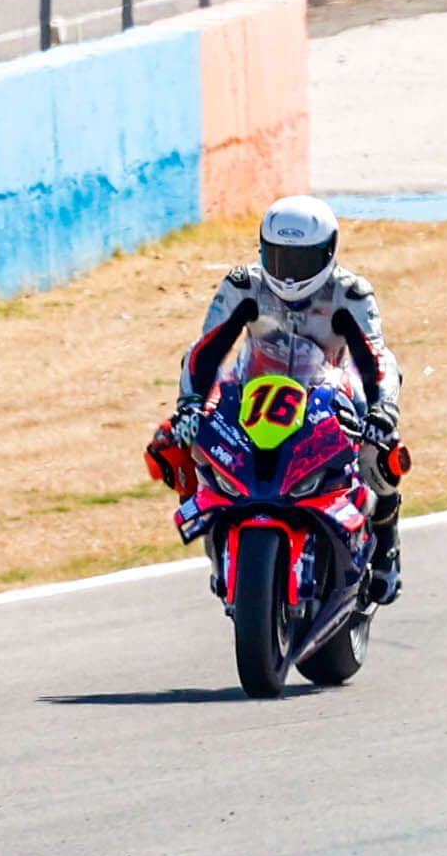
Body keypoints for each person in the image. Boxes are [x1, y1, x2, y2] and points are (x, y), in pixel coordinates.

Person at [173, 194, 408, 601]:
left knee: (379, 456)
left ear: (328, 253)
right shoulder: (243, 285)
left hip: (331, 389)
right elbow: (205, 351)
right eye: (279, 258)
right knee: (188, 445)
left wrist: (381, 411)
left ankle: (386, 548)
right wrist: (190, 406)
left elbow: (375, 356)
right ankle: (217, 547)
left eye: (300, 261)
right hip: (254, 388)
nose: (289, 274)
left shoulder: (350, 293)